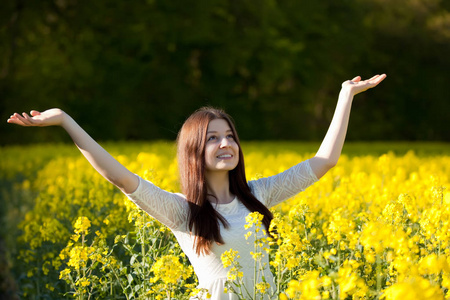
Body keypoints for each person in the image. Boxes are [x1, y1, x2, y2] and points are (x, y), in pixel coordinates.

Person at [7, 74, 386, 299]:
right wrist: (65, 121)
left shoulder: (259, 195)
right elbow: (119, 177)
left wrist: (344, 96)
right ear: (193, 150)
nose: (225, 144)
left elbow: (324, 162)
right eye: (212, 139)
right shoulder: (182, 213)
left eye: (230, 136)